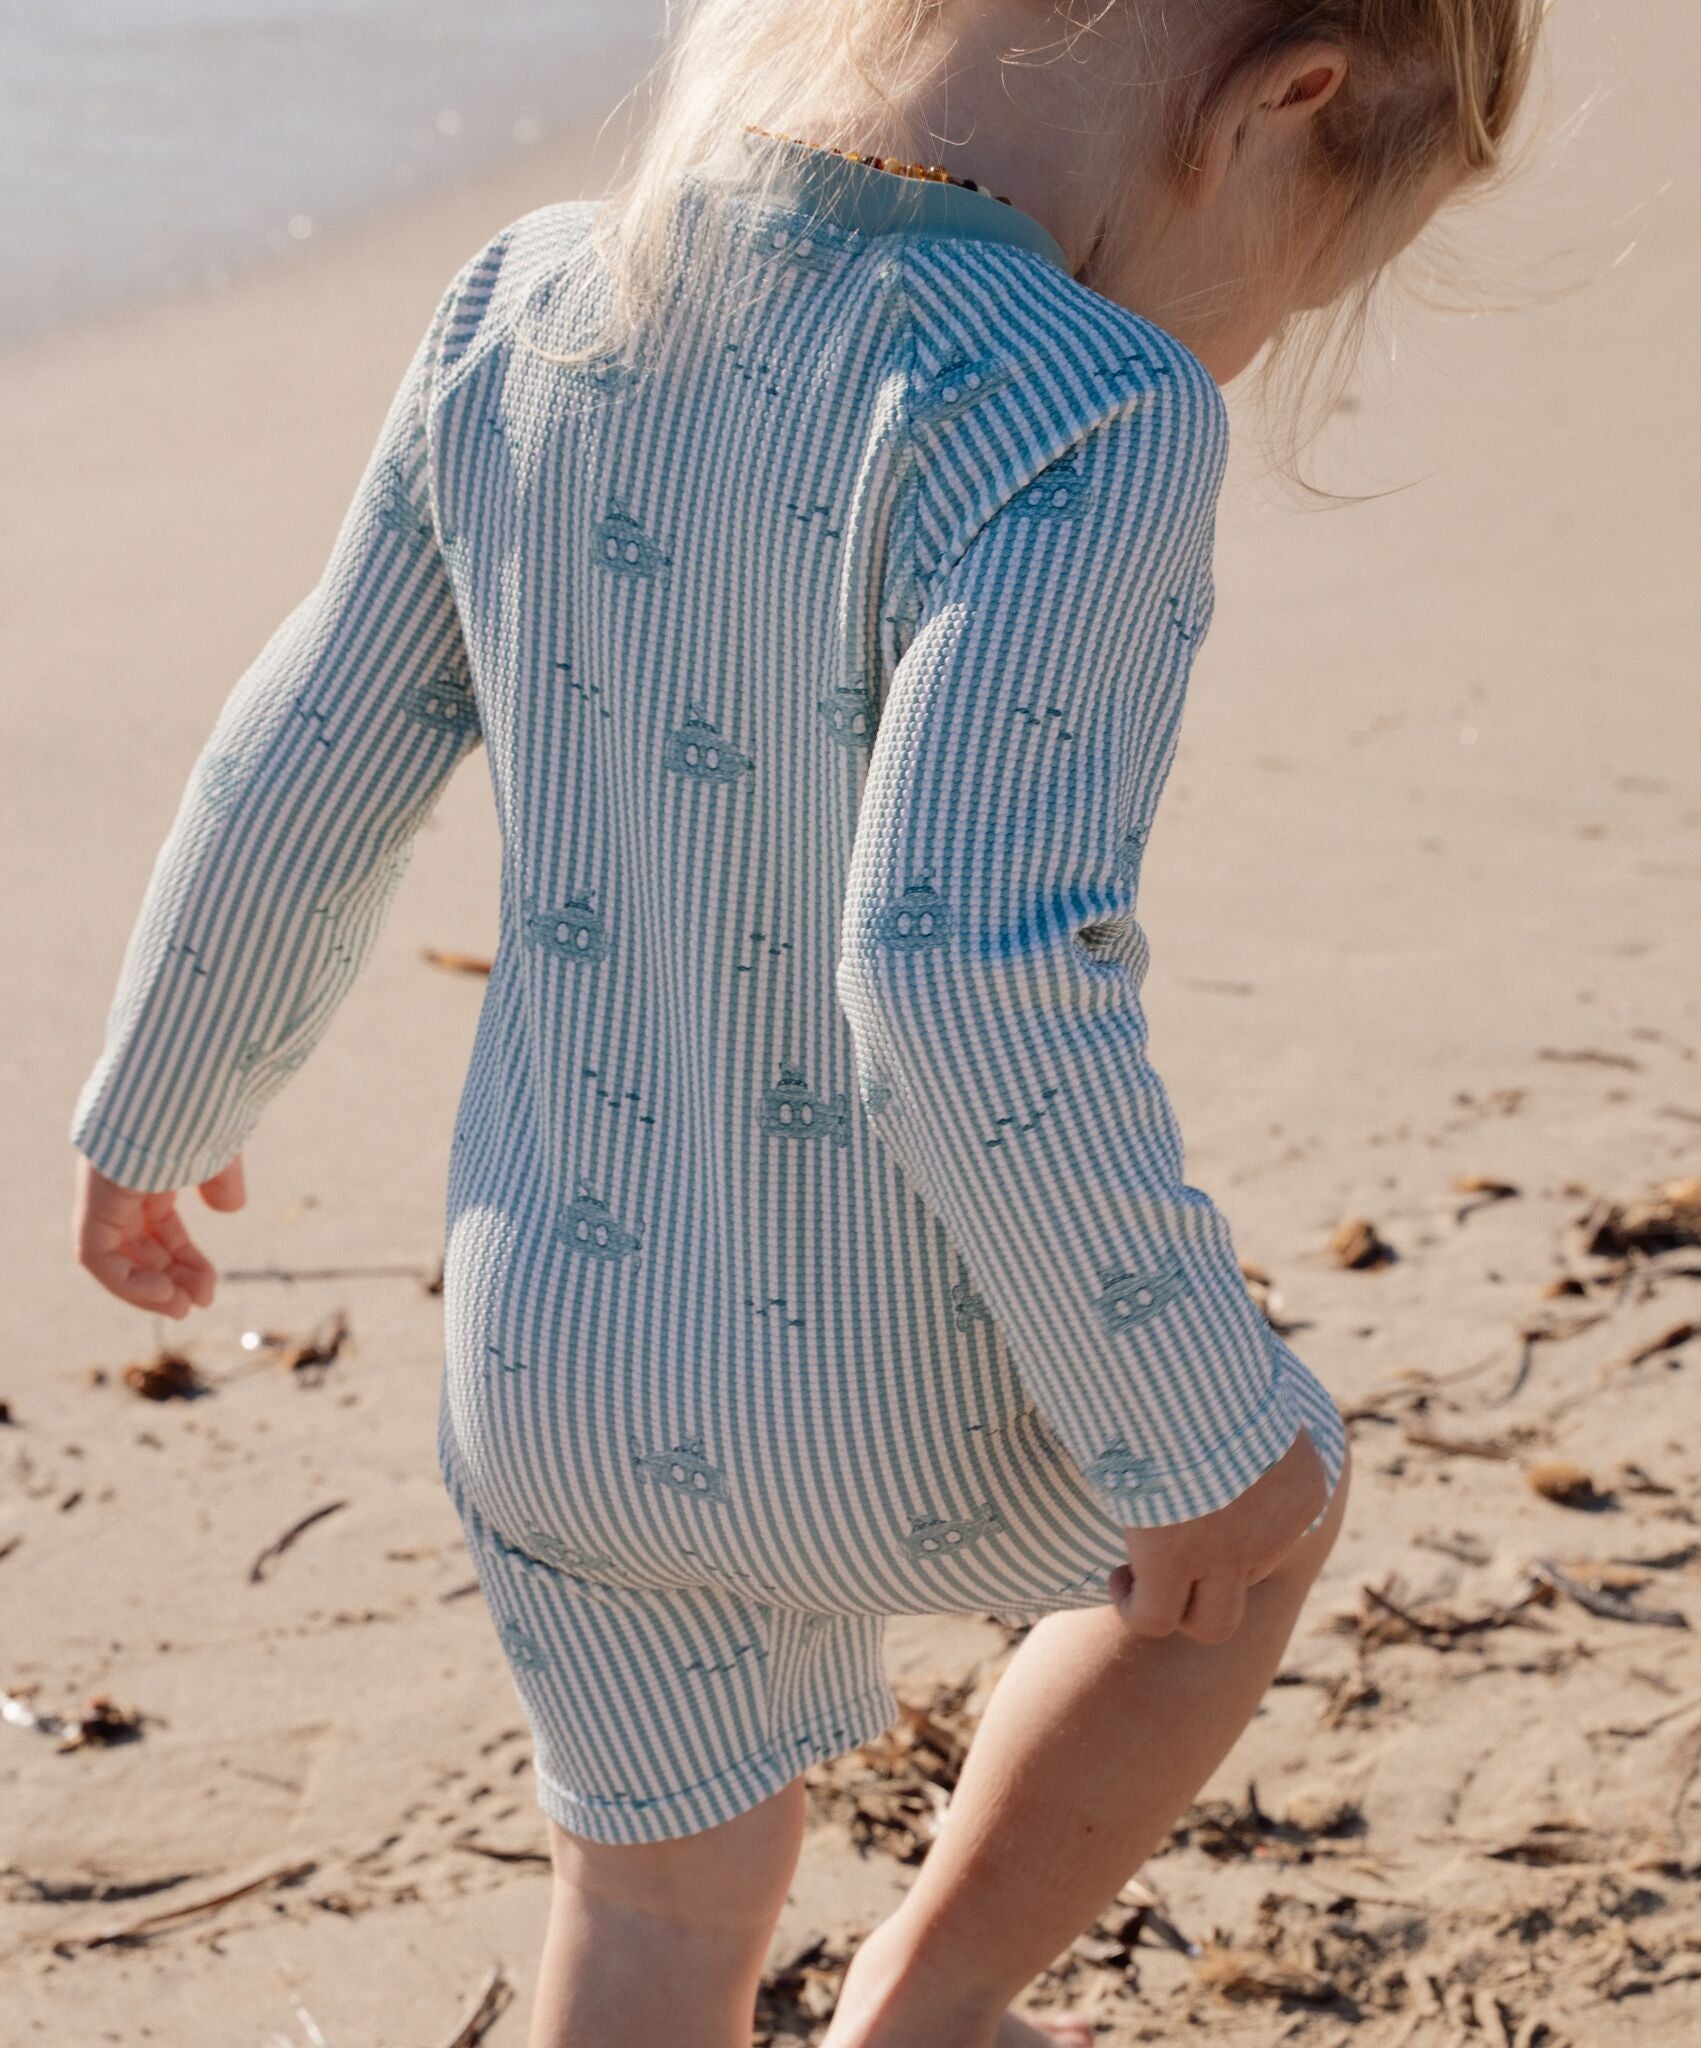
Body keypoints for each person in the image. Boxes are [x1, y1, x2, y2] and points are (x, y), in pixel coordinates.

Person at [70, 2, 1542, 2041]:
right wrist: (1189, 1407)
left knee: (660, 1918)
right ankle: (925, 2012)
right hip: (892, 1393)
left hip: (551, 1377)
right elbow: (959, 970)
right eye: (1310, 283)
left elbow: (319, 735)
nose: (1256, 344)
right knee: (1241, 1525)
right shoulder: (1089, 407)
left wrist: (166, 1091)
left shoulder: (531, 302)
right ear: (1285, 102)